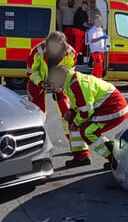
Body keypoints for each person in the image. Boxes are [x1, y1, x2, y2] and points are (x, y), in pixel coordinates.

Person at [47, 65, 128, 169]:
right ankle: (81, 157)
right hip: (106, 107)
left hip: (114, 109)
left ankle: (114, 159)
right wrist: (71, 110)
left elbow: (86, 111)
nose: (52, 87)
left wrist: (76, 123)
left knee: (88, 132)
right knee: (73, 118)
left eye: (53, 83)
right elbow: (78, 102)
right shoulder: (71, 80)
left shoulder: (77, 84)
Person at [25, 32, 90, 164]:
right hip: (38, 84)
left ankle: (80, 152)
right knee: (37, 116)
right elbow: (31, 72)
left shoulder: (70, 52)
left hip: (61, 82)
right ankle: (36, 150)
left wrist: (60, 86)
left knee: (70, 113)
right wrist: (41, 83)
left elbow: (69, 71)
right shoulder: (38, 51)